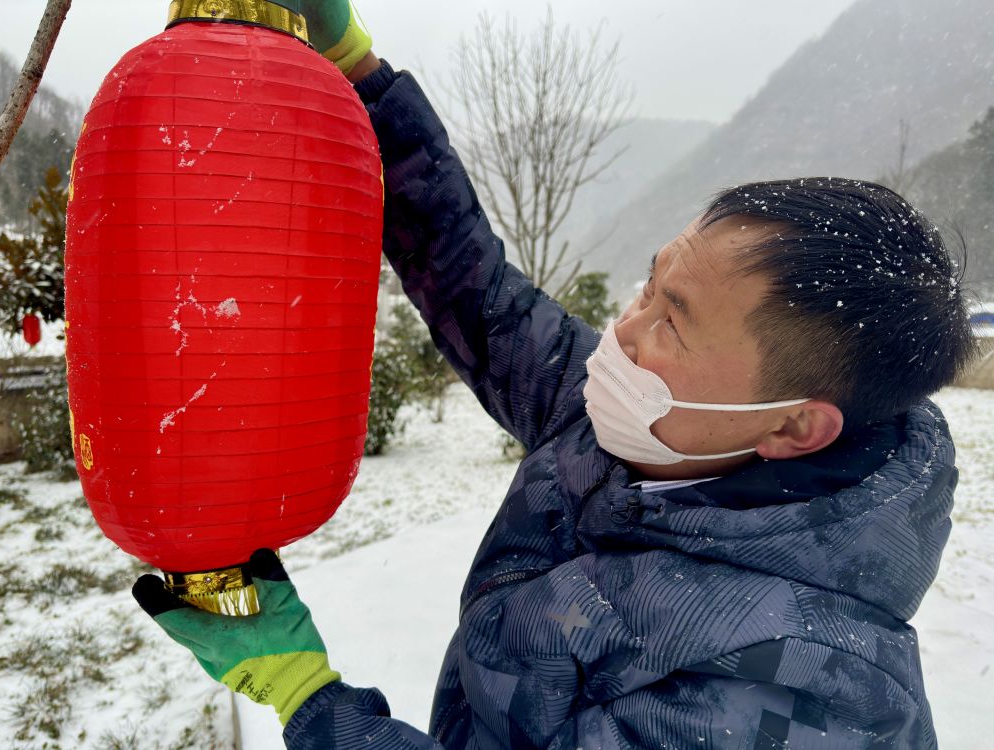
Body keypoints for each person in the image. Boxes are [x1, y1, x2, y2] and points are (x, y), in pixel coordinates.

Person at [133, 2, 978, 748]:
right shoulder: (646, 420)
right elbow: (480, 296)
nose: (625, 330)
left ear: (794, 424)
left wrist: (311, 703)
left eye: (674, 321)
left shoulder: (805, 695)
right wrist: (362, 76)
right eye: (650, 283)